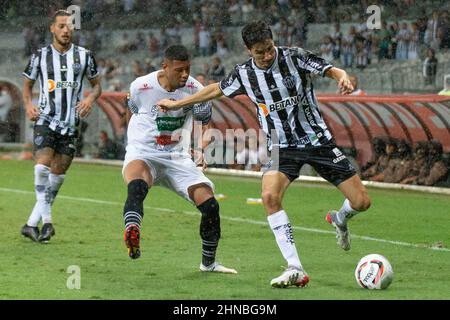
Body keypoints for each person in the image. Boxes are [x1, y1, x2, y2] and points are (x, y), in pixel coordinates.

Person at [158, 20, 371, 288]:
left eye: (269, 48)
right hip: (281, 147)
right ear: (249, 50)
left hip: (318, 142)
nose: (267, 55)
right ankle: (295, 268)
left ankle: (339, 218)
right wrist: (179, 103)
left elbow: (330, 69)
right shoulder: (244, 73)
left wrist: (342, 77)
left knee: (362, 202)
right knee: (270, 197)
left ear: (273, 41)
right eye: (260, 52)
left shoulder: (295, 56)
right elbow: (215, 90)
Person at [122, 44, 236, 274]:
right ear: (165, 67)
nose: (185, 75)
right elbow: (131, 108)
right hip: (144, 152)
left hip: (177, 156)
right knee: (137, 187)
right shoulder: (141, 86)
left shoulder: (196, 89)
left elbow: (206, 125)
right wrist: (133, 138)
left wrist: (201, 149)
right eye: (179, 70)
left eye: (187, 69)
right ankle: (132, 230)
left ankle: (209, 263)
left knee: (211, 206)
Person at [21, 10, 102, 242]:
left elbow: (97, 86)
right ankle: (47, 222)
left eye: (69, 26)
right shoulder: (40, 55)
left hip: (70, 124)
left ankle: (30, 224)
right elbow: (26, 84)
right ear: (52, 29)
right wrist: (28, 105)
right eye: (61, 26)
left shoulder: (85, 55)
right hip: (45, 119)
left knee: (57, 176)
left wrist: (89, 98)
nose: (66, 30)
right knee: (41, 168)